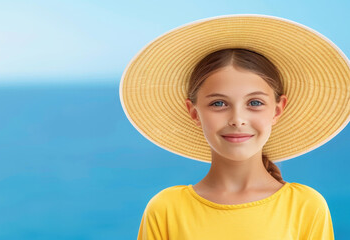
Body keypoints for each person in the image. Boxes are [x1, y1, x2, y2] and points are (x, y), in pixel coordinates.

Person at [120, 14, 349, 240]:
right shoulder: (166, 209)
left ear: (277, 110)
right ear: (194, 112)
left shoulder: (306, 206)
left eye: (255, 103)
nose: (237, 119)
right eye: (219, 103)